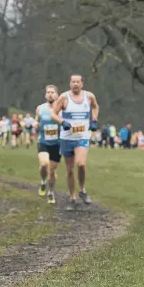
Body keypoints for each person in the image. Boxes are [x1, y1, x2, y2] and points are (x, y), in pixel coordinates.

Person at [51, 75, 99, 211]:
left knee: (81, 163)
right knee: (70, 170)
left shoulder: (89, 96)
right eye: (73, 82)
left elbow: (95, 107)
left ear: (82, 83)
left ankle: (82, 190)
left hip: (82, 137)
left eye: (78, 82)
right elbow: (53, 113)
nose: (75, 84)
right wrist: (62, 121)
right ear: (70, 83)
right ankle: (72, 198)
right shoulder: (64, 97)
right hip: (67, 138)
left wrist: (94, 119)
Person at [34, 85, 61, 204]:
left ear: (57, 95)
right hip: (43, 142)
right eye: (48, 92)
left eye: (52, 92)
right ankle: (43, 182)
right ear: (45, 95)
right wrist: (35, 124)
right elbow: (37, 120)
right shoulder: (40, 108)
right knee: (44, 164)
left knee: (52, 171)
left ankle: (50, 192)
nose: (50, 94)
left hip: (57, 144)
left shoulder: (62, 110)